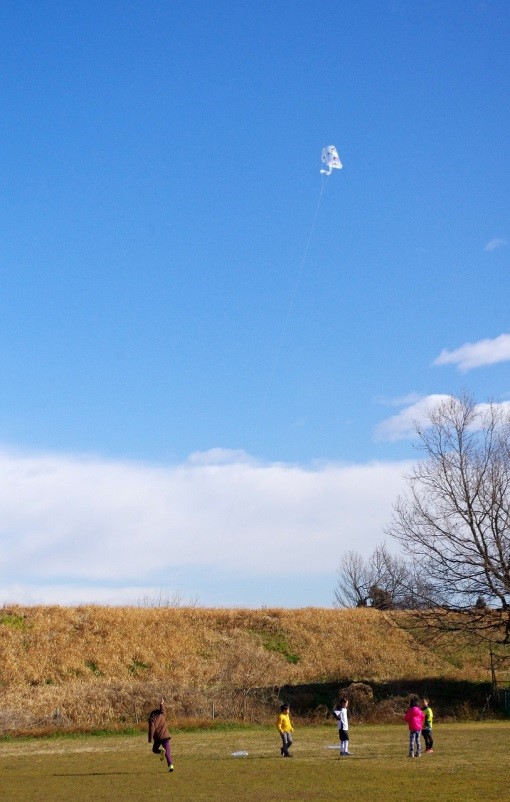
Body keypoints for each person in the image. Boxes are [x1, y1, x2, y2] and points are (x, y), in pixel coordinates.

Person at [148, 697, 174, 772]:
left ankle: (161, 751)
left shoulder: (152, 719)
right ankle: (171, 766)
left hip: (158, 738)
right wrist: (161, 704)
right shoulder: (162, 715)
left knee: (154, 749)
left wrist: (150, 739)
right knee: (168, 753)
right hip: (165, 737)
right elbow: (163, 710)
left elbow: (151, 729)